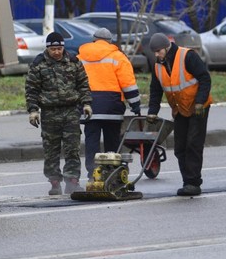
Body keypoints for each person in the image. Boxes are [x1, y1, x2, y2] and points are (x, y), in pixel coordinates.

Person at [25, 31, 94, 195]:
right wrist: (33, 110)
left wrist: (86, 104)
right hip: (49, 114)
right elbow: (32, 90)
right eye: (53, 49)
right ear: (48, 49)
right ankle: (55, 183)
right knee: (51, 150)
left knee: (72, 148)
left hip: (70, 112)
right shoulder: (38, 65)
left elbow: (83, 84)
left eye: (59, 48)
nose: (56, 52)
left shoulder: (73, 62)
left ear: (63, 48)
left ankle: (72, 181)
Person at [146, 32, 212, 196]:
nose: (156, 54)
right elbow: (155, 90)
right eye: (154, 52)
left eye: (158, 51)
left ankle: (193, 182)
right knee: (180, 147)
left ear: (167, 47)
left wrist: (199, 101)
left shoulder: (187, 56)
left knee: (193, 144)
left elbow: (205, 78)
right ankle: (187, 181)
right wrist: (152, 112)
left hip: (198, 107)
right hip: (180, 109)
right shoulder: (158, 65)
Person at [77, 27, 142, 176]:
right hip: (112, 107)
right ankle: (112, 172)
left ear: (94, 40)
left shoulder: (80, 58)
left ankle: (93, 173)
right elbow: (128, 84)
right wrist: (135, 104)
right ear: (109, 42)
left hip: (89, 107)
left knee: (91, 141)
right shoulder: (118, 57)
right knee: (112, 141)